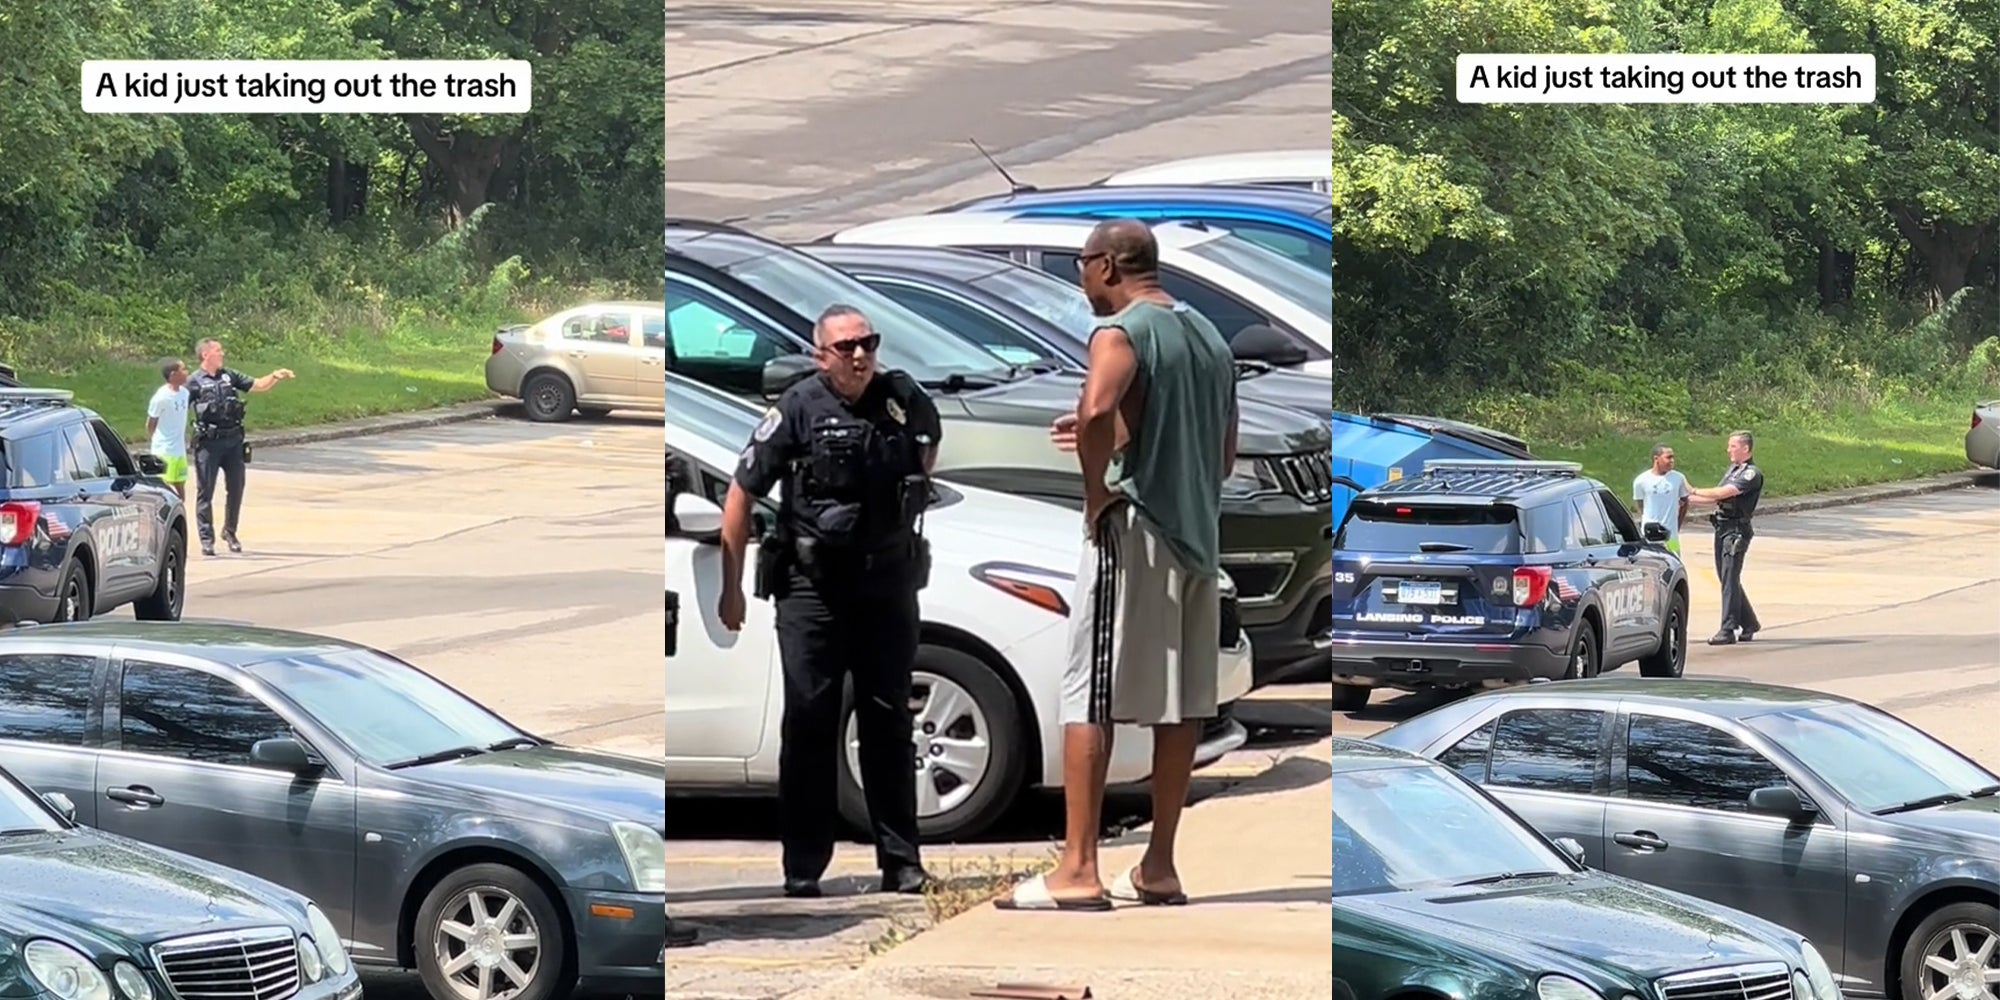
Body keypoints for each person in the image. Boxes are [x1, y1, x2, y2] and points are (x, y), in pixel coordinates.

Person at [997, 219, 1237, 912]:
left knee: (1089, 693)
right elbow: (1219, 455)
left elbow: (1098, 406)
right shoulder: (1210, 339)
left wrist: (1097, 486)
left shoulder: (1120, 332)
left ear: (1105, 265)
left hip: (1134, 533)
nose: (1081, 277)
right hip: (1198, 539)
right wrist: (1128, 435)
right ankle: (1159, 866)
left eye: (1081, 264)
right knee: (1184, 703)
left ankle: (1077, 869)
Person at [716, 304, 939, 899]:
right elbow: (740, 494)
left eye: (868, 342)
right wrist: (730, 584)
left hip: (886, 586)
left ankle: (901, 860)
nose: (861, 355)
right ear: (821, 356)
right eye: (846, 347)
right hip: (813, 590)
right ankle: (804, 864)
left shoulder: (902, 400)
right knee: (810, 723)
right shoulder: (798, 407)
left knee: (889, 720)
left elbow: (924, 460)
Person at [187, 338, 294, 557]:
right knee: (205, 491)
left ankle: (230, 531)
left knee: (236, 488)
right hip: (209, 444)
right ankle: (207, 539)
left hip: (233, 442)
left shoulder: (229, 376)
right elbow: (177, 405)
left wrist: (275, 376)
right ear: (206, 355)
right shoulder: (194, 382)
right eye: (218, 351)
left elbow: (258, 385)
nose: (222, 354)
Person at [1688, 430, 1764, 645]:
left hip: (1736, 531)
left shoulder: (1751, 474)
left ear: (1745, 449)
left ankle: (1728, 629)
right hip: (1722, 527)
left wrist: (1692, 489)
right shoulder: (1733, 470)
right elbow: (1716, 498)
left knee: (1729, 579)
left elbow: (1723, 493)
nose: (1728, 450)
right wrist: (1687, 499)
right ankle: (1749, 622)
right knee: (1726, 577)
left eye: (1732, 446)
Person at [143, 359, 192, 501]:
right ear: (173, 374)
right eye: (183, 370)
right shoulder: (161, 398)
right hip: (164, 451)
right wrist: (158, 440)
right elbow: (150, 424)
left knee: (180, 484)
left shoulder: (184, 393)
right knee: (164, 488)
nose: (186, 372)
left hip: (179, 450)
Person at [1630, 444, 1690, 554]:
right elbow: (1640, 504)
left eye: (1673, 457)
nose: (1672, 461)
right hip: (1649, 534)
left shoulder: (1678, 478)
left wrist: (1677, 525)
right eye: (1668, 457)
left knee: (1675, 558)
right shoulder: (1641, 481)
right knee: (1651, 562)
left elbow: (1685, 502)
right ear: (1656, 459)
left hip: (1671, 536)